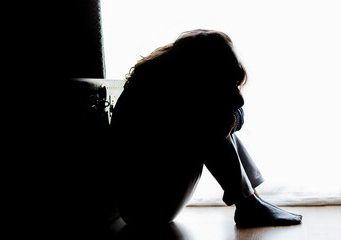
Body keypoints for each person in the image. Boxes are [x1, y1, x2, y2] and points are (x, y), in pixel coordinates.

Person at [110, 29, 302, 228]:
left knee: (217, 120)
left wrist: (229, 114)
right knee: (211, 124)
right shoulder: (159, 92)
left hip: (151, 201)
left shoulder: (176, 77)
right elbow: (224, 118)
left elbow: (237, 112)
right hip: (146, 207)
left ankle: (251, 200)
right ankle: (249, 204)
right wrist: (225, 117)